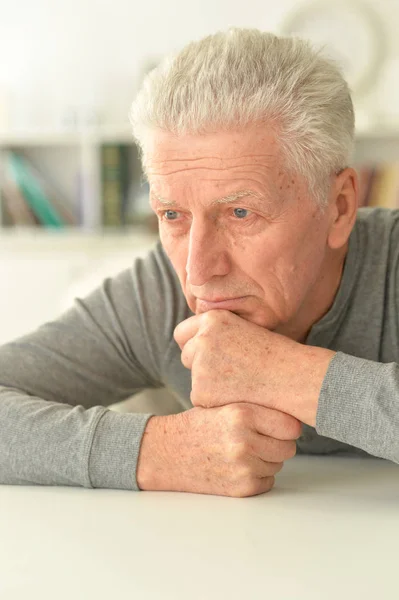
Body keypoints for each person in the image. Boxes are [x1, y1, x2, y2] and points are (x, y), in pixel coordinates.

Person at [0, 28, 398, 498]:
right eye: (173, 215)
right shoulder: (157, 294)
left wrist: (284, 372)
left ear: (339, 207)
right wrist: (157, 451)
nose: (198, 269)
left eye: (240, 213)